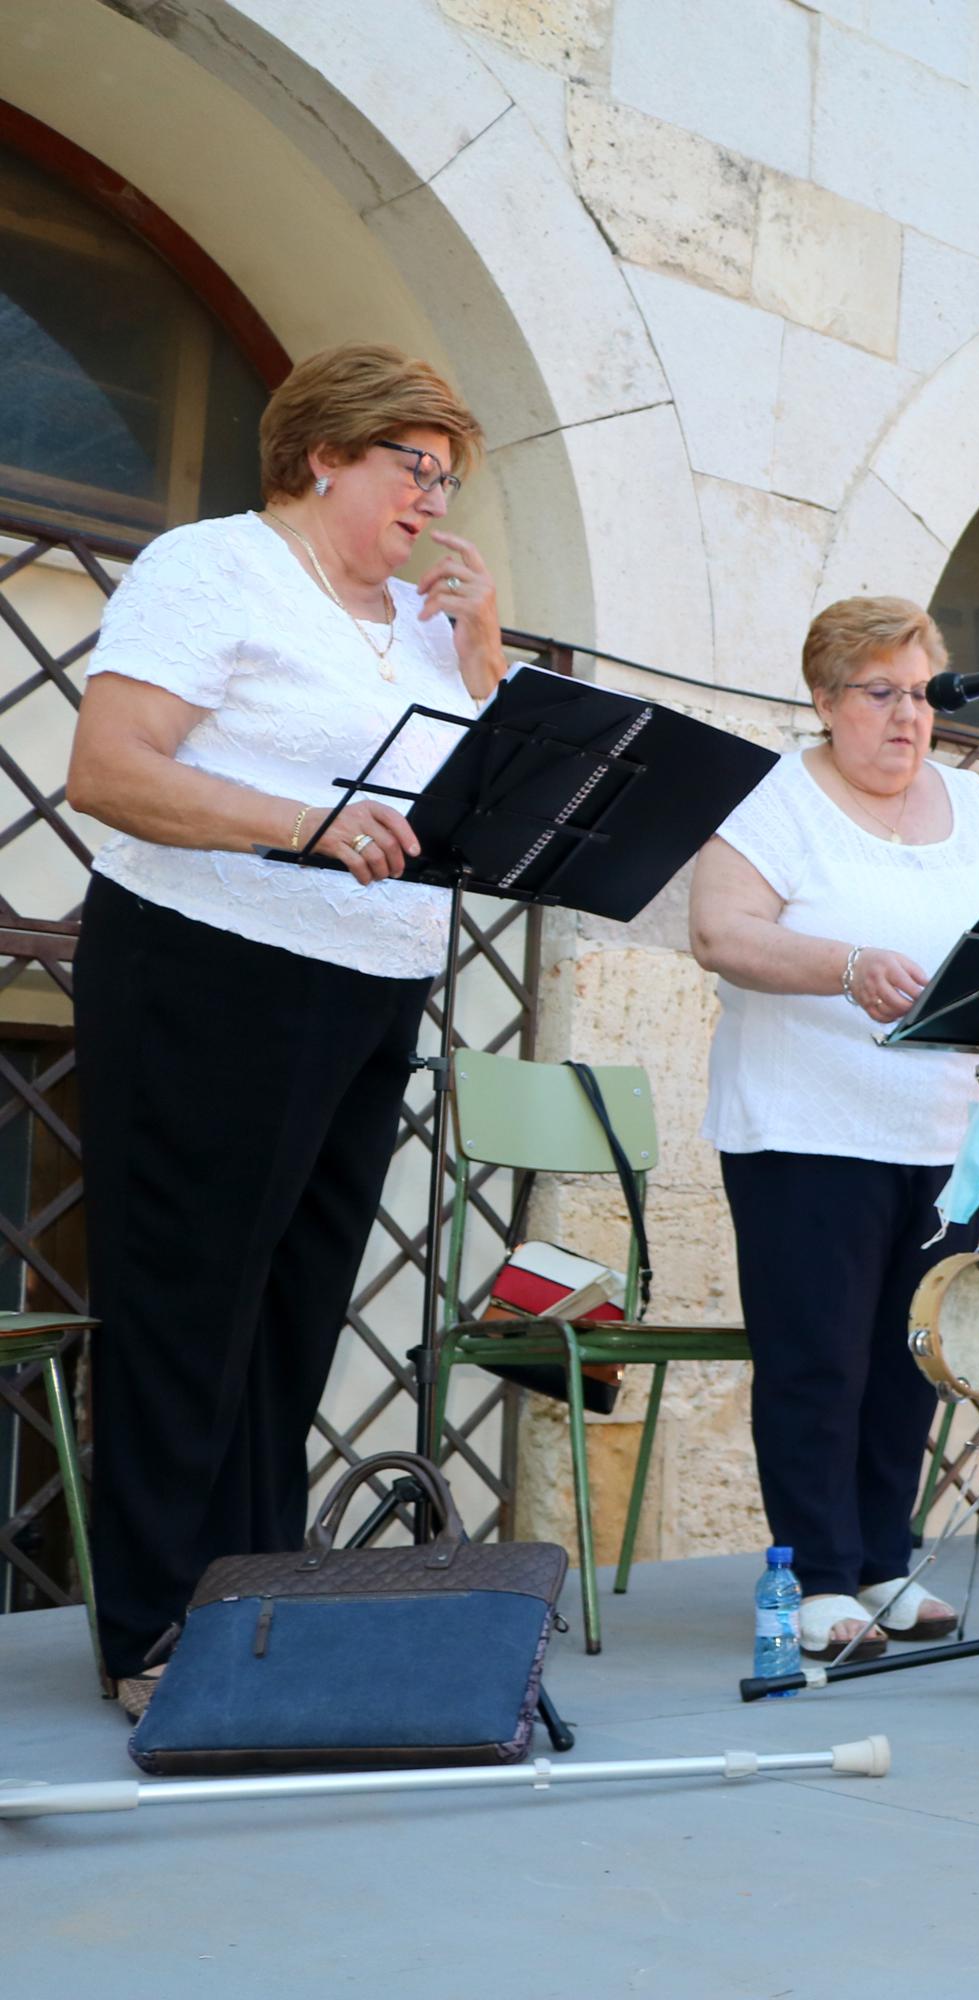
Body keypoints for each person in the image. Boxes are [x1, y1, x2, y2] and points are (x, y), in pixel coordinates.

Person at [66, 342, 504, 1717]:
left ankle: (245, 1599)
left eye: (445, 480)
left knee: (294, 1314)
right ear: (325, 455)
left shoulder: (420, 628)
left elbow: (474, 804)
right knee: (189, 1302)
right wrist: (303, 827)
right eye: (411, 469)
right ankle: (151, 1630)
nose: (431, 502)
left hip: (367, 985)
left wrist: (483, 647)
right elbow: (109, 769)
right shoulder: (216, 569)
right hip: (213, 963)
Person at [690, 597, 979, 1659]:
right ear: (826, 699)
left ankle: (886, 1558)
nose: (907, 717)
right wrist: (845, 966)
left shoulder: (975, 801)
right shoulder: (777, 795)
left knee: (914, 1354)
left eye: (923, 694)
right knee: (818, 1357)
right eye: (880, 693)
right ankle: (818, 1573)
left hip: (950, 1130)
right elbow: (719, 929)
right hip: (809, 1125)